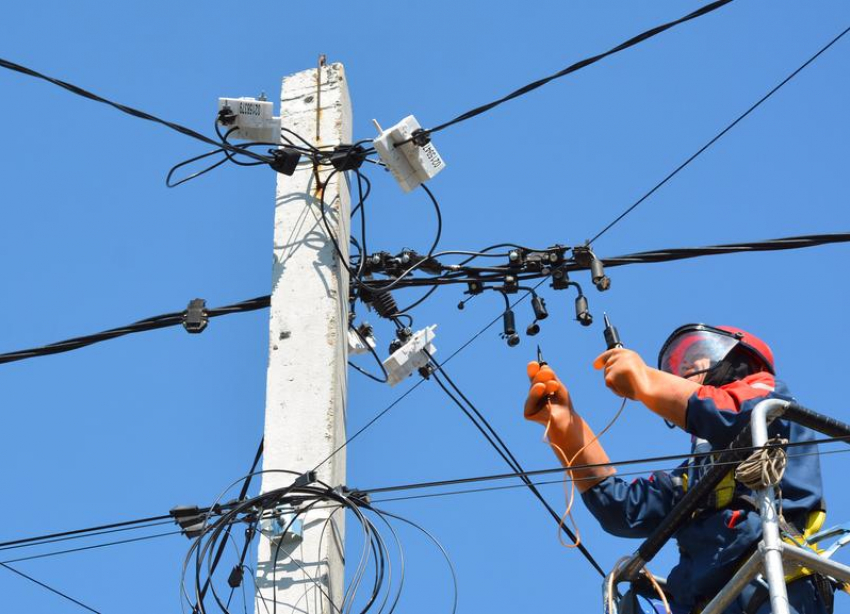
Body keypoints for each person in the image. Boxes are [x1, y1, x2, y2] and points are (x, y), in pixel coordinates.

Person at [523, 324, 830, 614]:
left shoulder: (768, 399)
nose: (684, 369)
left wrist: (647, 380)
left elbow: (731, 414)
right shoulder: (698, 473)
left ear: (737, 360)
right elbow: (623, 510)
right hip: (714, 600)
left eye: (696, 357)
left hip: (773, 587)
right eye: (678, 366)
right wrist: (564, 426)